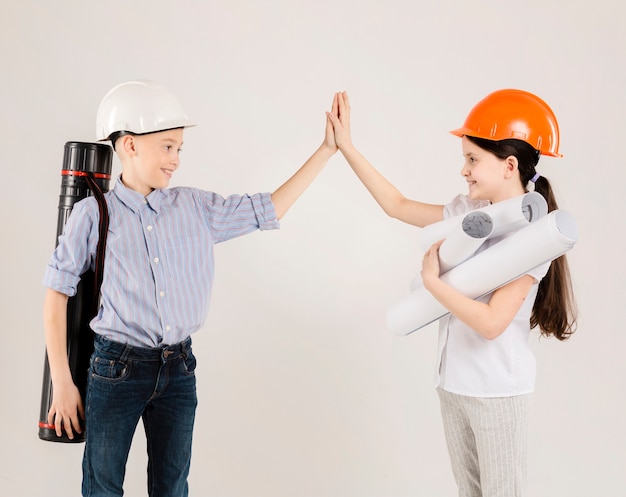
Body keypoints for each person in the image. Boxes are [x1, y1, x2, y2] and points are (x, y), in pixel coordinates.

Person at [43, 80, 339, 497]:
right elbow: (56, 296)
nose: (176, 160)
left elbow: (269, 208)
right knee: (102, 487)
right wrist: (63, 383)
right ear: (129, 145)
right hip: (115, 369)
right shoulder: (93, 214)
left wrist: (326, 149)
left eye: (179, 148)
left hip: (179, 368)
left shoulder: (197, 207)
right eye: (167, 146)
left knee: (172, 486)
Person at [327, 89, 577, 497]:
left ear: (509, 165)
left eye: (473, 159)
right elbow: (397, 205)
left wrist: (434, 285)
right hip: (454, 385)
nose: (464, 170)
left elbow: (494, 323)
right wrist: (347, 148)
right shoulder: (466, 213)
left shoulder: (535, 238)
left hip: (497, 391)